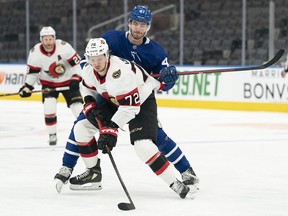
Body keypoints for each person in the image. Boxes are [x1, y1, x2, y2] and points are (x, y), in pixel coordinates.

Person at [54, 5, 198, 192]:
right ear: (129, 23)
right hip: (108, 95)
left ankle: (187, 171)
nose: (138, 28)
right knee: (82, 123)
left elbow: (162, 82)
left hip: (137, 98)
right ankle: (72, 168)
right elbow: (86, 62)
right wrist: (90, 97)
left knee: (155, 137)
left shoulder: (157, 52)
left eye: (143, 25)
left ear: (148, 27)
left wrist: (168, 79)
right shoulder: (111, 38)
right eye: (135, 23)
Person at [68, 37, 191, 199]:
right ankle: (93, 173)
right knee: (81, 127)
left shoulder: (120, 73)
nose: (96, 63)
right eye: (92, 59)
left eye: (99, 58)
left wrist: (110, 129)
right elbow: (86, 86)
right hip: (114, 99)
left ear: (107, 56)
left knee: (143, 146)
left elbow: (130, 108)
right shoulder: (89, 69)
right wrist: (89, 103)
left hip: (141, 100)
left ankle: (174, 182)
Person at [19, 26, 83, 145]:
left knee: (78, 108)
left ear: (54, 38)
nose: (48, 42)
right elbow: (32, 74)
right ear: (41, 40)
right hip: (49, 84)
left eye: (50, 39)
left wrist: (76, 78)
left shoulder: (64, 47)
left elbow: (77, 65)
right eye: (45, 39)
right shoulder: (35, 53)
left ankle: (86, 131)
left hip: (69, 82)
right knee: (49, 107)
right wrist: (27, 86)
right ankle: (52, 135)